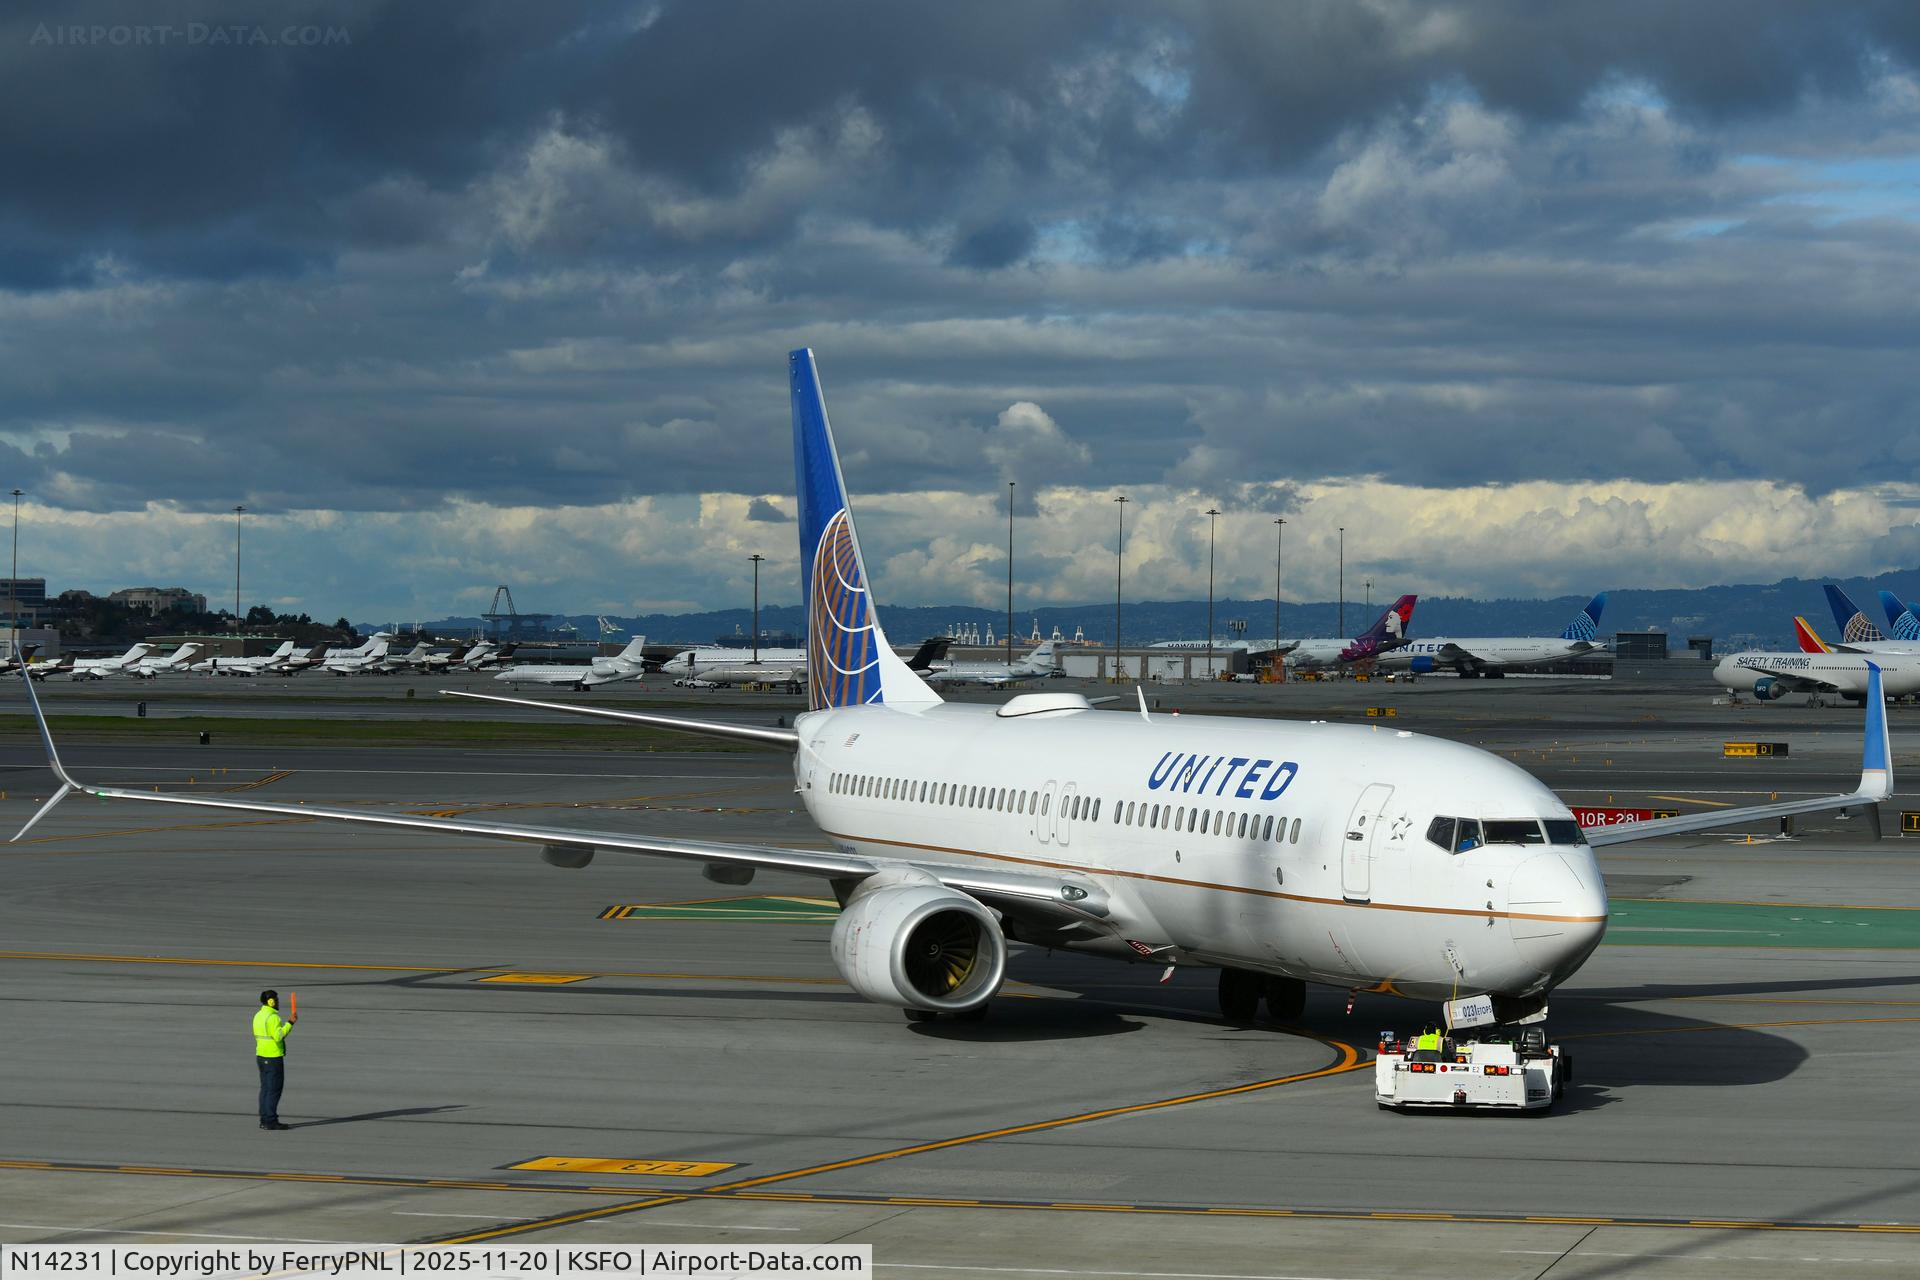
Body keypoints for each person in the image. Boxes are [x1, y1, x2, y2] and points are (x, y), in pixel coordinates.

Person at [253, 989, 295, 1130]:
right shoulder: (272, 1018)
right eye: (276, 999)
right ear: (270, 1002)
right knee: (274, 1090)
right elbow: (278, 1036)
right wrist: (290, 1023)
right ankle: (270, 1121)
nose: (278, 1002)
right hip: (273, 1058)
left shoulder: (258, 1015)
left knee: (265, 1089)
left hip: (261, 1056)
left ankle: (264, 1119)